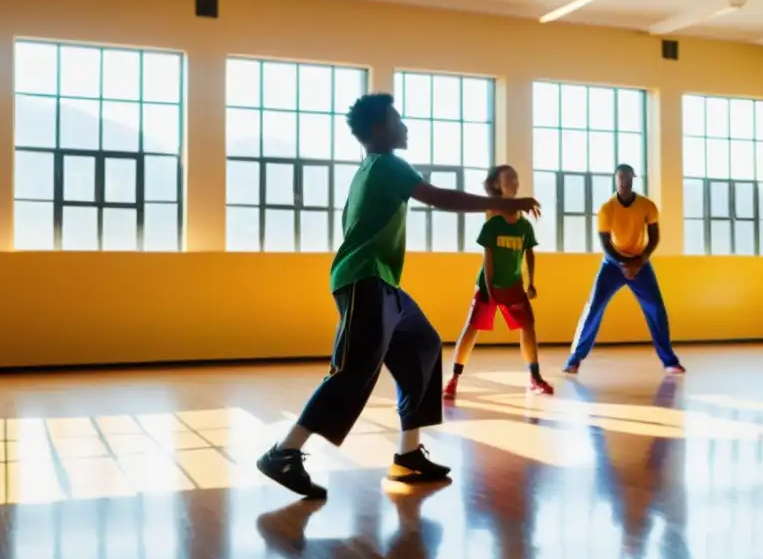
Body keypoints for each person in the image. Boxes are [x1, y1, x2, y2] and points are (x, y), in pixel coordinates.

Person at [257, 93, 540, 499]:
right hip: (364, 280)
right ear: (378, 129)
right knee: (352, 370)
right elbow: (440, 197)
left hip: (383, 282)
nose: (404, 126)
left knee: (423, 345)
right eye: (397, 119)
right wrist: (504, 203)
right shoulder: (385, 165)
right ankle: (284, 452)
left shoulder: (376, 168)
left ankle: (408, 457)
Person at [444, 165, 553, 399]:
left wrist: (531, 282)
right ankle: (453, 379)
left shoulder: (524, 225)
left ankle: (535, 377)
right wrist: (489, 289)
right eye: (508, 179)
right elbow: (488, 259)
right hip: (489, 285)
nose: (514, 182)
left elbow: (529, 253)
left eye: (516, 178)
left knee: (528, 328)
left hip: (513, 285)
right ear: (496, 185)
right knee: (471, 329)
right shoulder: (492, 222)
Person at [563, 164, 684, 376]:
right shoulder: (607, 208)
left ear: (633, 179)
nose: (623, 181)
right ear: (615, 179)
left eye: (627, 177)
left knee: (656, 308)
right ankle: (574, 360)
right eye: (620, 177)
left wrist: (639, 262)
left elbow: (654, 238)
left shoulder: (647, 206)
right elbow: (606, 243)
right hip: (612, 263)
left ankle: (669, 361)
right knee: (594, 307)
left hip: (640, 263)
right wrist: (623, 265)